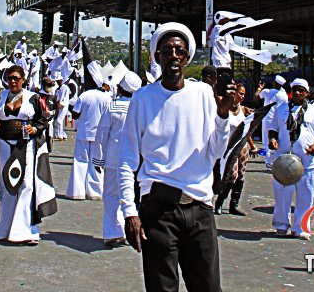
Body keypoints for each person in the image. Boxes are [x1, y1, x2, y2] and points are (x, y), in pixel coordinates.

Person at [119, 22, 234, 292]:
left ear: (186, 57)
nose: (173, 55)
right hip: (158, 210)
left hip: (200, 208)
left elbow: (216, 151)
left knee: (207, 287)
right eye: (167, 50)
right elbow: (126, 159)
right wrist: (129, 211)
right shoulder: (143, 99)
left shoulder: (203, 94)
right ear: (157, 56)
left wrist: (222, 117)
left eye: (179, 50)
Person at [0, 65, 57, 244]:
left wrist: (35, 128)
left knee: (26, 184)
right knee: (6, 184)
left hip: (25, 145)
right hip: (3, 144)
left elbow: (43, 119)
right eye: (10, 78)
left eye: (16, 78)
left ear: (23, 79)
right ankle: (2, 227)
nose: (13, 81)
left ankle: (24, 230)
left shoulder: (33, 98)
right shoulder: (0, 97)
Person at [267, 78, 314, 239]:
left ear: (307, 93)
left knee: (306, 196)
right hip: (284, 163)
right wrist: (272, 139)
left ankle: (301, 228)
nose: (297, 93)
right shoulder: (280, 109)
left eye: (301, 90)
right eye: (294, 90)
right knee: (281, 195)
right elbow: (272, 129)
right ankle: (281, 224)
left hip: (307, 162)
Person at [92, 70, 141, 246]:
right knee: (131, 196)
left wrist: (98, 159)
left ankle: (114, 231)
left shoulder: (112, 107)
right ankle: (131, 232)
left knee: (112, 195)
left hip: (114, 159)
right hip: (135, 160)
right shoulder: (139, 108)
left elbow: (101, 134)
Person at [66, 73, 112, 200]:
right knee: (96, 163)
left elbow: (75, 114)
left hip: (84, 132)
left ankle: (77, 192)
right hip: (100, 134)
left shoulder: (84, 95)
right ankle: (95, 192)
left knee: (80, 161)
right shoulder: (106, 98)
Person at [214, 82, 254, 216]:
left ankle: (234, 205)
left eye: (244, 94)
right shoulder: (224, 107)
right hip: (229, 146)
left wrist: (252, 146)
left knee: (241, 176)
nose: (242, 96)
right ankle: (220, 202)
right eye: (240, 93)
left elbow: (246, 130)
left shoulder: (243, 110)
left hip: (242, 146)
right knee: (232, 175)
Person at [258, 76, 288, 169]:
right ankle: (276, 160)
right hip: (279, 119)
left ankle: (268, 161)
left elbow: (257, 97)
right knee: (278, 139)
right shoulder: (284, 95)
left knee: (266, 140)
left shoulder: (267, 91)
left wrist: (260, 88)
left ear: (275, 83)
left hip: (267, 118)